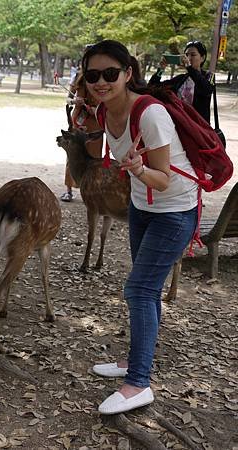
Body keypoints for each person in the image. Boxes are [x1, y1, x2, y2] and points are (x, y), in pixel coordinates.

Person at [83, 40, 198, 415]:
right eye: (92, 75)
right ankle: (136, 360)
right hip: (141, 207)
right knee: (145, 292)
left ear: (128, 73)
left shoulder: (149, 114)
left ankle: (138, 383)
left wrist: (137, 169)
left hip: (176, 209)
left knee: (139, 289)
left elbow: (163, 179)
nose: (101, 82)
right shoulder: (103, 112)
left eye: (110, 74)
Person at [61, 71, 103, 202]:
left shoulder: (102, 79)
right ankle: (68, 190)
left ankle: (92, 190)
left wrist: (96, 110)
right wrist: (75, 101)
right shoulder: (78, 76)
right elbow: (68, 99)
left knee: (94, 156)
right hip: (77, 121)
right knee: (73, 153)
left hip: (95, 122)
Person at [148, 41, 213, 123]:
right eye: (186, 55)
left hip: (199, 127)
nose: (188, 58)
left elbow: (206, 89)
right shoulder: (181, 79)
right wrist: (161, 69)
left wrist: (189, 68)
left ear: (202, 58)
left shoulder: (209, 76)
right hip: (179, 125)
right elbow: (152, 87)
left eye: (193, 55)